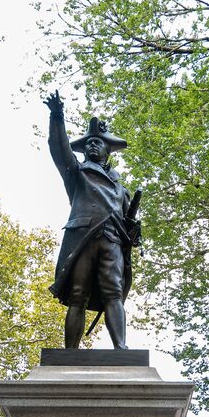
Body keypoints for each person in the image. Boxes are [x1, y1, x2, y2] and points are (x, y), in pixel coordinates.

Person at [43, 90, 139, 349]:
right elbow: (59, 150)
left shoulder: (121, 187)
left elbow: (130, 223)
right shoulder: (77, 172)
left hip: (112, 241)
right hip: (83, 237)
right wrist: (57, 117)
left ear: (108, 149)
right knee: (78, 295)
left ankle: (121, 347)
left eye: (98, 142)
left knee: (114, 293)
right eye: (88, 143)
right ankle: (70, 353)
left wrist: (134, 233)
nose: (91, 145)